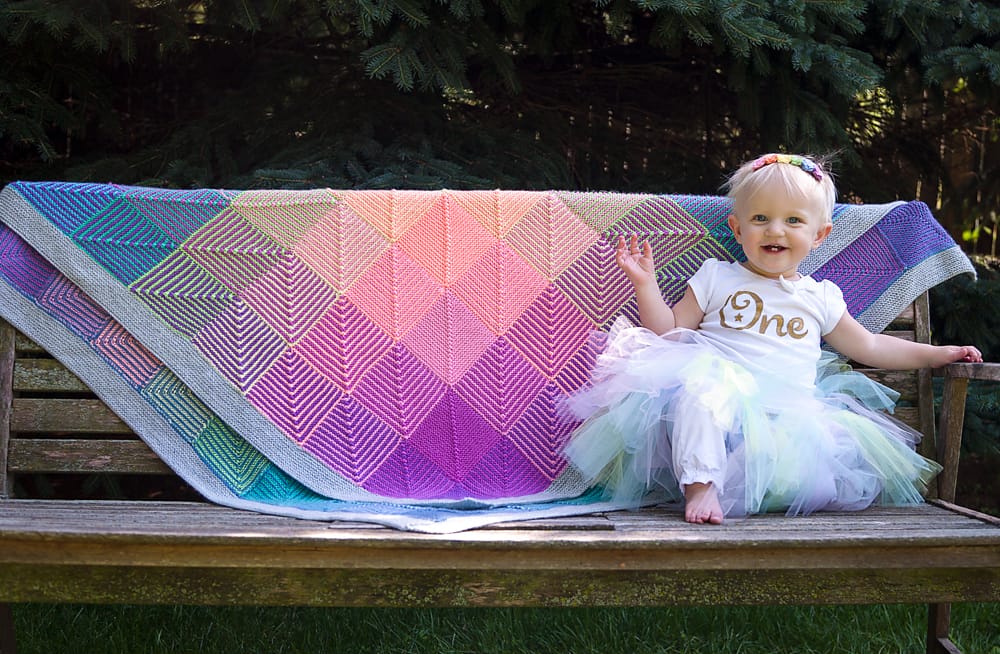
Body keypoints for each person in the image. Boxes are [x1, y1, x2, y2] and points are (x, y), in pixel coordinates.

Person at [561, 153, 982, 525]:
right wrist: (645, 285)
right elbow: (669, 333)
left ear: (819, 235)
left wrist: (937, 354)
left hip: (788, 415)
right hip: (720, 404)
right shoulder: (717, 277)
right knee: (698, 390)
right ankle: (701, 485)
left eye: (793, 221)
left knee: (811, 469)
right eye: (760, 219)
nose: (774, 231)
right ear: (737, 228)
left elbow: (870, 346)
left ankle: (749, 487)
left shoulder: (820, 297)